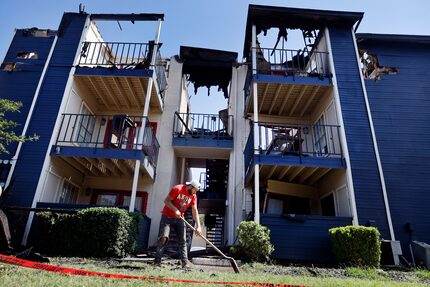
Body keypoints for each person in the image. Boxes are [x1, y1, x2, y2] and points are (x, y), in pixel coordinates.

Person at [154, 180, 202, 268]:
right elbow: (166, 201)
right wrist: (175, 210)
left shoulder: (193, 196)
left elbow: (194, 211)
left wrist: (198, 226)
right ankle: (157, 262)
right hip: (167, 217)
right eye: (195, 190)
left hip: (180, 218)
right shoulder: (178, 189)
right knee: (163, 238)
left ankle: (185, 263)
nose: (195, 193)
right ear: (191, 187)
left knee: (182, 240)